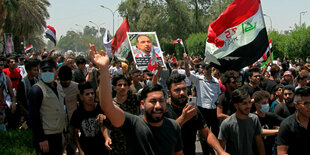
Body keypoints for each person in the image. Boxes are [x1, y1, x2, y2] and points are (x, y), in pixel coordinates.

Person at [89, 43, 183, 155]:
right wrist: (104, 69)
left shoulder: (174, 126)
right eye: (152, 101)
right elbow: (107, 107)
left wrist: (157, 72)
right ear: (142, 104)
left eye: (161, 101)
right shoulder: (134, 124)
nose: (158, 106)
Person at [165, 73, 228, 155]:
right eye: (177, 90)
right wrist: (183, 118)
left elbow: (207, 133)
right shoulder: (163, 110)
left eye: (184, 89)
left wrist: (221, 151)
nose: (182, 93)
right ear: (169, 93)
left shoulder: (192, 109)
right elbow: (164, 135)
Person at [28, 58, 68, 155]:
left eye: (50, 70)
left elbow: (63, 109)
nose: (47, 73)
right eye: (44, 71)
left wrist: (66, 131)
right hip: (46, 136)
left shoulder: (58, 87)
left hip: (59, 133)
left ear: (55, 71)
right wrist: (41, 138)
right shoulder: (37, 90)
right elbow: (34, 116)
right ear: (40, 72)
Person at [184, 53, 221, 155]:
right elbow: (188, 74)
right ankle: (206, 152)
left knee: (215, 132)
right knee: (203, 133)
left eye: (209, 68)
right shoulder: (198, 79)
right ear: (203, 70)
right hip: (202, 109)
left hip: (213, 109)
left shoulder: (216, 82)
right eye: (206, 68)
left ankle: (214, 150)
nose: (208, 70)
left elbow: (218, 95)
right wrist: (186, 63)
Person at [218, 88, 265, 155]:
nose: (248, 106)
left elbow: (259, 143)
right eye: (244, 103)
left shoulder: (254, 119)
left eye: (249, 102)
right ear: (236, 106)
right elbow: (220, 149)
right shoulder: (227, 124)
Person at [70, 82, 109, 155]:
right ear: (81, 97)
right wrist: (80, 149)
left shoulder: (100, 109)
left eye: (92, 93)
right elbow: (75, 134)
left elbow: (104, 126)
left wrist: (107, 138)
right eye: (87, 94)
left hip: (101, 148)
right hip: (86, 149)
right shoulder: (77, 113)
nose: (90, 96)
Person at [108, 74, 140, 155]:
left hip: (133, 142)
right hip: (117, 144)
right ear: (114, 87)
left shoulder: (134, 99)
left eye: (125, 85)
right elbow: (105, 124)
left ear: (129, 87)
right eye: (120, 85)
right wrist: (106, 137)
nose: (122, 87)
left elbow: (148, 92)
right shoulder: (110, 105)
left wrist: (156, 74)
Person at [276, 86, 310, 155]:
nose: (309, 106)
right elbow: (281, 152)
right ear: (296, 105)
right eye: (305, 104)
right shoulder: (287, 125)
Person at [252, 90, 283, 155]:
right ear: (257, 105)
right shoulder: (252, 118)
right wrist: (277, 131)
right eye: (263, 103)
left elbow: (285, 122)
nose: (266, 105)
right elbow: (259, 132)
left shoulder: (271, 116)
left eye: (267, 102)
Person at [57, 66, 79, 155]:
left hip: (72, 122)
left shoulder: (76, 87)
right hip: (58, 122)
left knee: (72, 147)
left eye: (67, 80)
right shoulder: (55, 87)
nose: (66, 82)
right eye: (63, 80)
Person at [0, 56, 16, 131]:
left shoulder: (5, 78)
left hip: (3, 108)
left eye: (1, 65)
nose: (0, 67)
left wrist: (13, 103)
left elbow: (12, 94)